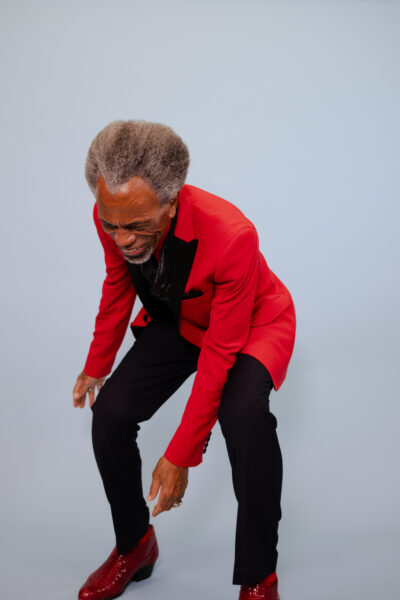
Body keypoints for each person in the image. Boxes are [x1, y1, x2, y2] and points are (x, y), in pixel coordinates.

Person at [72, 119, 296, 600]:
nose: (121, 238)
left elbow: (220, 351)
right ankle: (135, 545)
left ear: (171, 202)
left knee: (243, 417)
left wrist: (181, 454)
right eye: (111, 225)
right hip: (181, 317)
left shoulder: (232, 235)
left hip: (249, 325)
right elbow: (118, 282)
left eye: (135, 226)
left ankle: (260, 577)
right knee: (109, 414)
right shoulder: (113, 212)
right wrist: (97, 362)